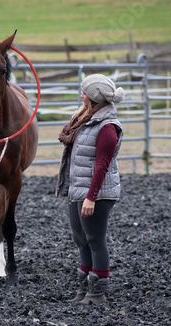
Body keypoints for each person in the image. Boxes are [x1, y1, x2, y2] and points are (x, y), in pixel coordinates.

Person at [56, 74, 125, 304]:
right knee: (81, 240)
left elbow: (102, 165)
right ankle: (83, 290)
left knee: (95, 240)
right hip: (79, 190)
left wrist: (91, 198)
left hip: (97, 194)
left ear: (95, 98)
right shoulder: (86, 119)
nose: (81, 95)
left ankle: (97, 292)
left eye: (85, 92)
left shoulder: (107, 127)